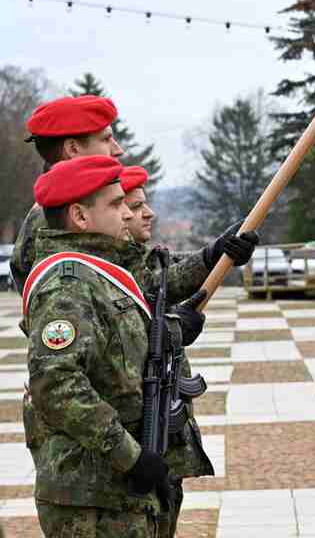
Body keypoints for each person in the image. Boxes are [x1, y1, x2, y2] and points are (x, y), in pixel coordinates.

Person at [21, 156, 203, 537]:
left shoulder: (101, 272)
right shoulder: (67, 284)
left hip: (116, 490)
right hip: (91, 496)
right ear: (80, 216)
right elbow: (57, 385)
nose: (128, 214)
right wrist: (131, 457)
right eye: (116, 204)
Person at [119, 166, 249, 537]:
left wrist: (215, 252)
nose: (148, 213)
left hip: (159, 438)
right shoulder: (102, 270)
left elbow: (165, 281)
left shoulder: (138, 259)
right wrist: (175, 328)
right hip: (134, 441)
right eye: (133, 205)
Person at [12, 95, 124, 293]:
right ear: (73, 149)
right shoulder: (50, 215)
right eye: (106, 139)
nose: (118, 150)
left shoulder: (63, 206)